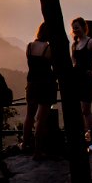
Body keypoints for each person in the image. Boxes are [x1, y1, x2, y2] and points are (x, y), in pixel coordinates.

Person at [23, 22, 57, 160]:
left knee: (29, 116)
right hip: (46, 85)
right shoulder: (49, 48)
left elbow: (31, 66)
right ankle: (38, 151)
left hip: (31, 84)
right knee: (41, 119)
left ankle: (25, 145)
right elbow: (55, 68)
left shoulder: (29, 47)